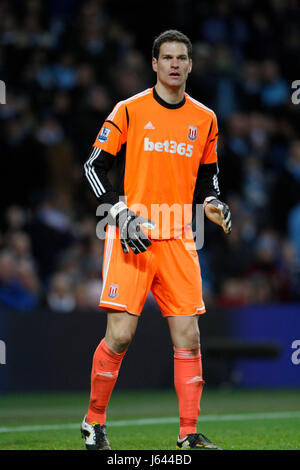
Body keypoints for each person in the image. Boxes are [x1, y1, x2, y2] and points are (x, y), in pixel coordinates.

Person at [81, 30, 231, 451]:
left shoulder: (205, 119)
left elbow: (209, 182)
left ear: (190, 65)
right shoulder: (129, 110)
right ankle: (94, 422)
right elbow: (94, 167)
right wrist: (119, 212)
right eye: (167, 57)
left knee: (189, 337)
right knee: (121, 335)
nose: (175, 64)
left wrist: (214, 206)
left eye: (182, 58)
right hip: (132, 236)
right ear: (154, 64)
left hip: (179, 238)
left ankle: (188, 434)